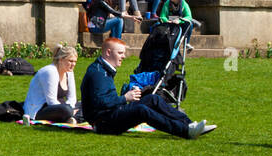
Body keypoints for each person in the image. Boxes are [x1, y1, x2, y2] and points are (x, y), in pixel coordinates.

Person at [81, 38, 216, 138]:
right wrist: (125, 98)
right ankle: (185, 131)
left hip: (109, 115)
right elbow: (101, 102)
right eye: (120, 53)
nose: (123, 56)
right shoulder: (99, 73)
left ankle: (190, 124)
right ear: (108, 52)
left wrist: (126, 97)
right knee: (141, 110)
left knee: (153, 99)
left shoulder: (103, 69)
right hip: (104, 123)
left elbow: (104, 100)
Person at [24, 45, 80, 123]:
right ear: (61, 60)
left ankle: (72, 118)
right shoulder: (50, 72)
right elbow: (51, 101)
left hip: (61, 105)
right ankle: (73, 117)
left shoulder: (69, 72)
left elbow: (72, 97)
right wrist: (70, 110)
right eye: (70, 61)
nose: (73, 64)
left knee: (87, 104)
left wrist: (71, 107)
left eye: (75, 61)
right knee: (66, 110)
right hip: (41, 109)